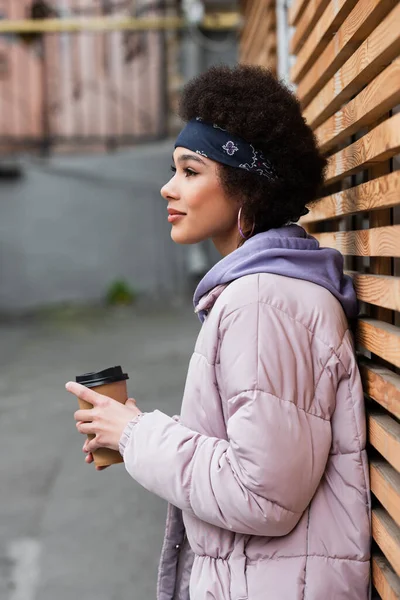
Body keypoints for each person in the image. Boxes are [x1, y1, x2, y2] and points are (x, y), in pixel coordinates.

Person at [66, 65, 371, 599]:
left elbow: (263, 495)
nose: (167, 187)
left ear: (245, 187)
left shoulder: (264, 302)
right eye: (173, 169)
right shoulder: (262, 293)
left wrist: (135, 437)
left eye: (190, 170)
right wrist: (132, 425)